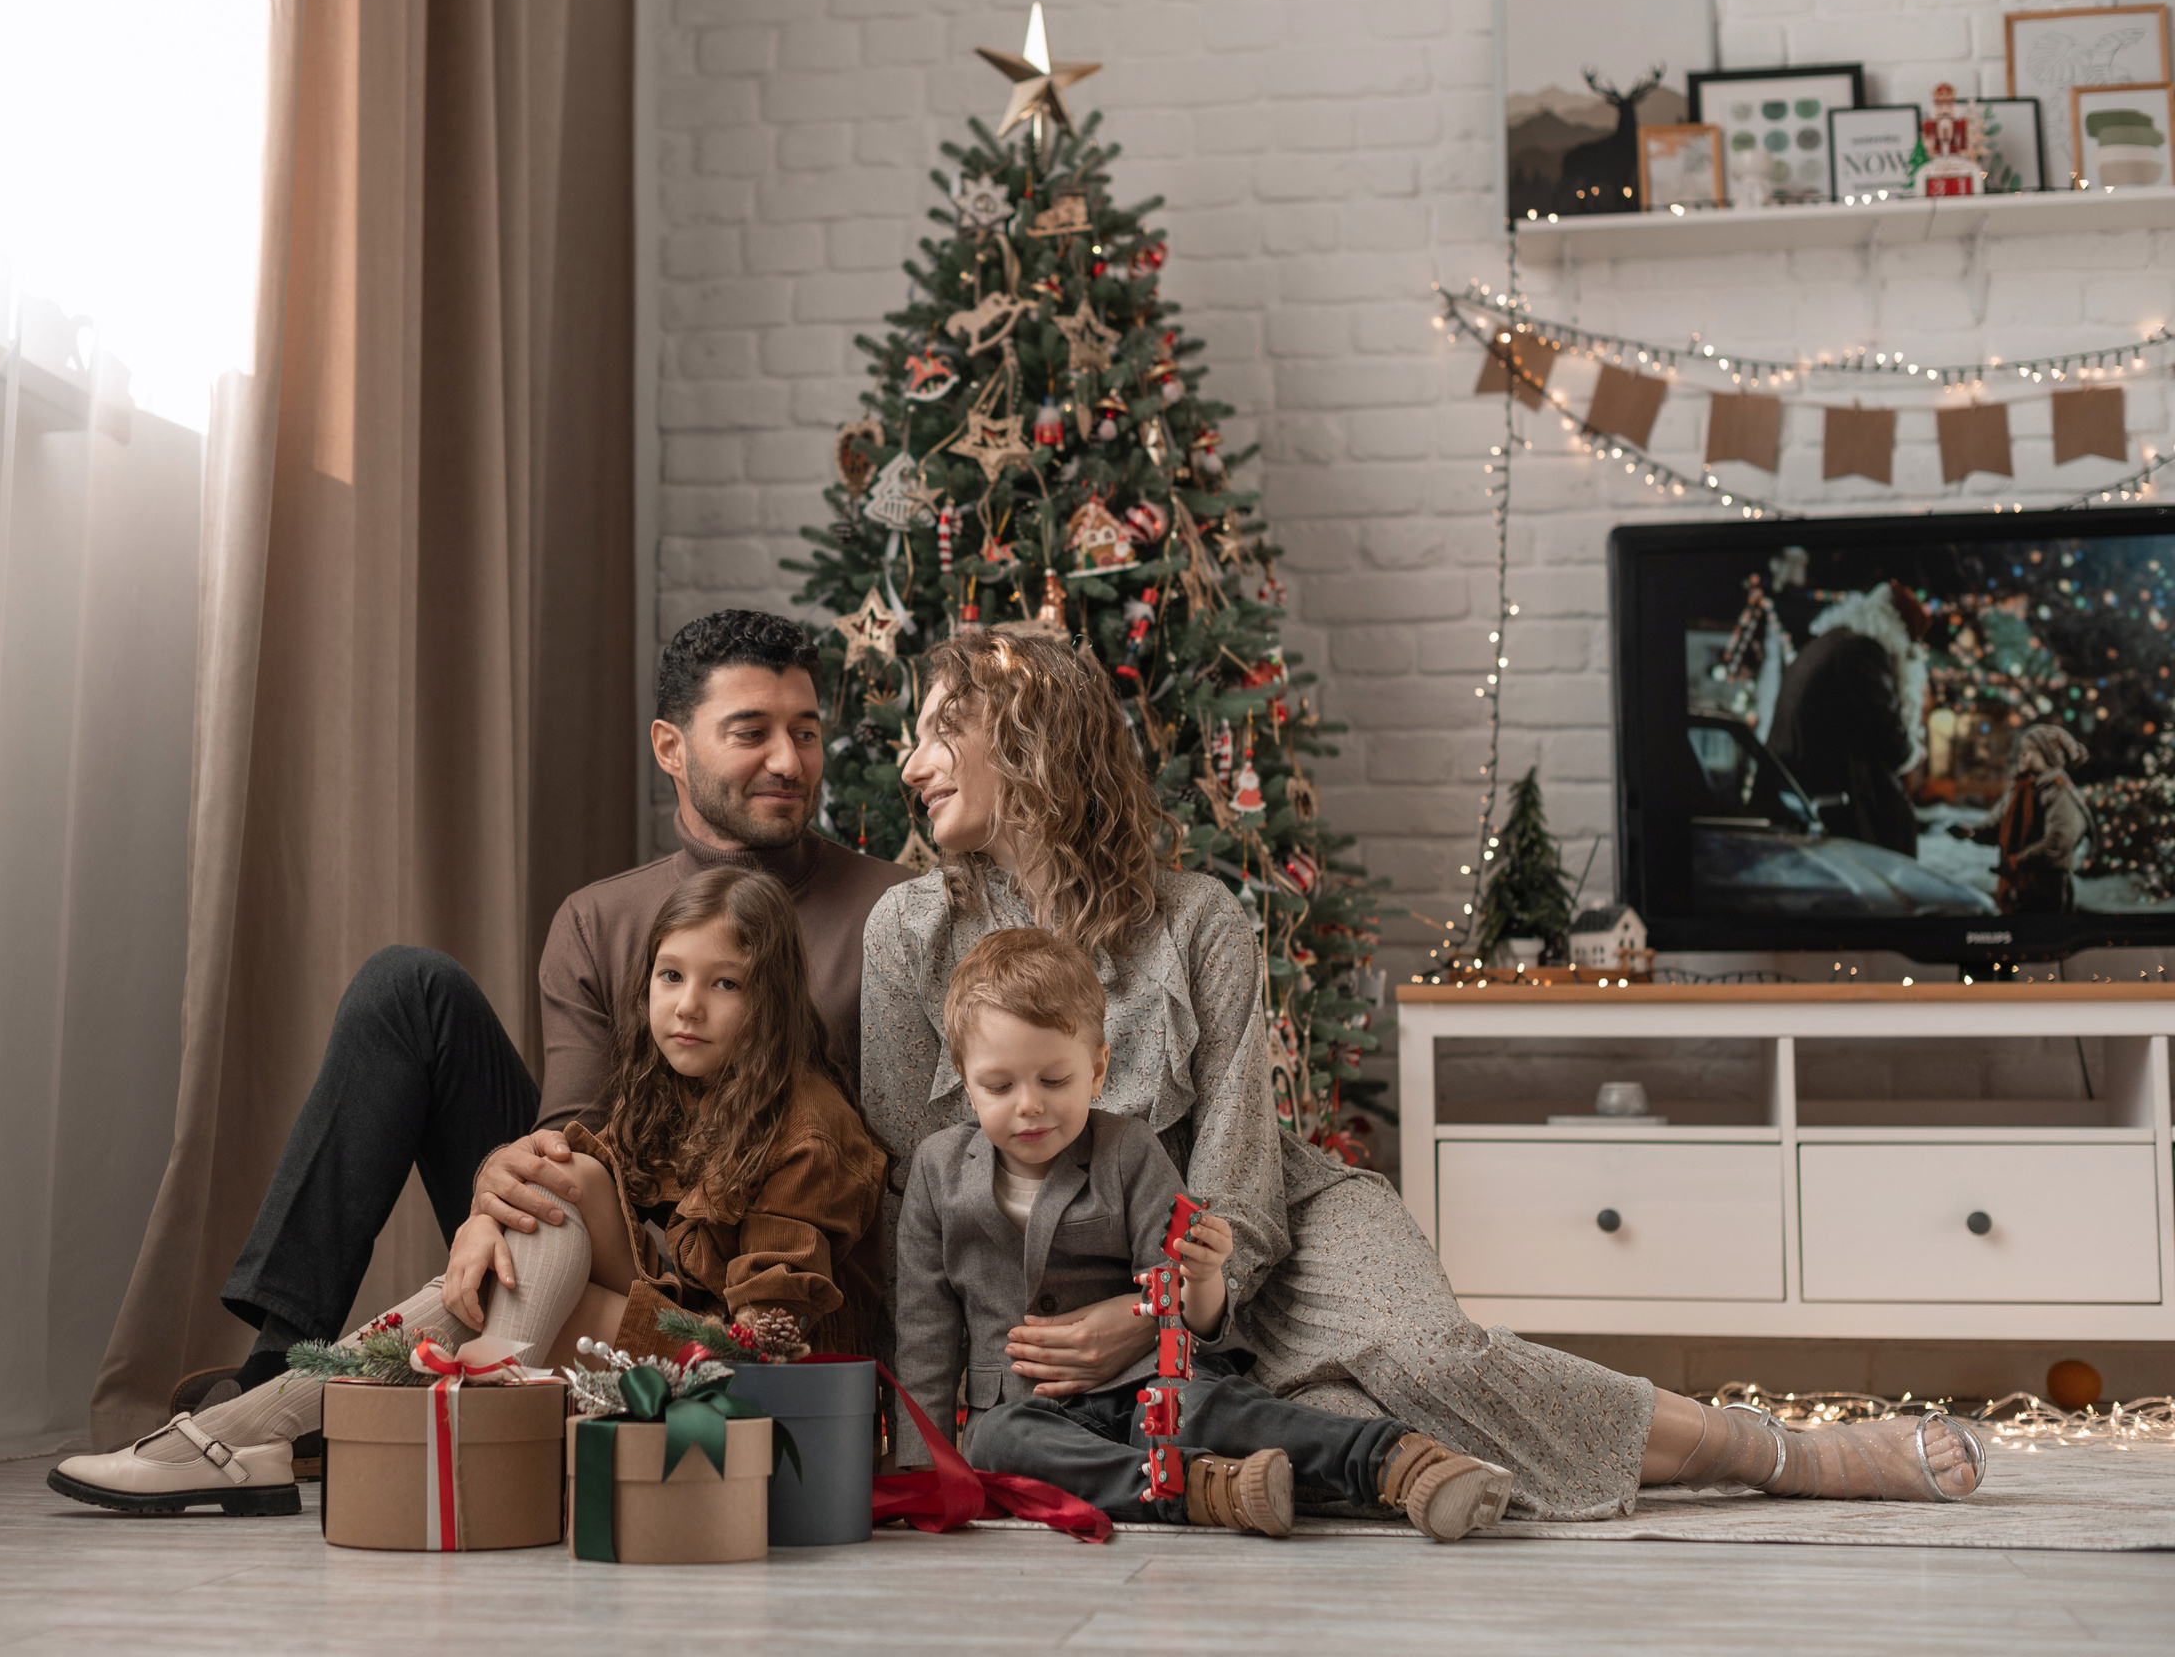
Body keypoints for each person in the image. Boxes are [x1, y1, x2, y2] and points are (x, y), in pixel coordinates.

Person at [862, 630, 1984, 1520]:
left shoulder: (1198, 920)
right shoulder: (908, 933)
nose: (908, 767)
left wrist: (1155, 1311)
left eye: (936, 733)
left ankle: (1783, 1453)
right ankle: (1388, 1463)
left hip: (1255, 1230)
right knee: (1349, 1420)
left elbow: (1240, 1166)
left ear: (1030, 739)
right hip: (1051, 1287)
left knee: (1426, 1354)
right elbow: (917, 1185)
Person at [77, 613, 905, 1471]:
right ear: (671, 746)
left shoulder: (894, 914)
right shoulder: (600, 918)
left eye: (806, 734)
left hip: (763, 1286)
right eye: (752, 732)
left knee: (555, 1211)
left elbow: (898, 1176)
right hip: (622, 1228)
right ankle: (279, 1367)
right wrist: (491, 1196)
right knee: (409, 990)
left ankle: (313, 1431)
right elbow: (578, 1140)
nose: (789, 761)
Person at [52, 866, 885, 1512]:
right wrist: (492, 1211)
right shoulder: (672, 1085)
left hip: (728, 1378)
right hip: (627, 1335)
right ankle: (412, 1445)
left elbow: (764, 1354)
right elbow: (581, 1178)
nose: (687, 1009)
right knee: (552, 1190)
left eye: (724, 984)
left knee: (541, 1231)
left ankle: (242, 1436)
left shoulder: (807, 1131)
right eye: (670, 978)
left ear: (770, 1000)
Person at [897, 927, 1516, 1540]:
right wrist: (920, 1468)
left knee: (1204, 1407)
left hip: (1148, 1379)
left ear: (1097, 1069)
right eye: (999, 1087)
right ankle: (1204, 1490)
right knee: (1000, 1443)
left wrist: (1205, 1276)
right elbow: (925, 1329)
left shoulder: (1126, 1152)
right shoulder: (937, 1169)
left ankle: (1397, 1462)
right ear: (962, 1076)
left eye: (1054, 1081)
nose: (1028, 1105)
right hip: (1023, 1407)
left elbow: (1186, 1316)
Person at [1769, 581, 1934, 857]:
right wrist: (1910, 723)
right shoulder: (1863, 653)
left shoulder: (1827, 643)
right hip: (1840, 814)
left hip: (1802, 797)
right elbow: (1894, 746)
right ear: (1899, 633)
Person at [1978, 725, 2093, 913]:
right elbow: (1997, 826)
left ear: (2049, 758)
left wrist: (2017, 861)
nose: (2022, 754)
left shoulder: (2059, 793)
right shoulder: (2019, 791)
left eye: (2030, 750)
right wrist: (1973, 832)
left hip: (2046, 888)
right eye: (2022, 749)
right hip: (2018, 886)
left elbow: (2058, 842)